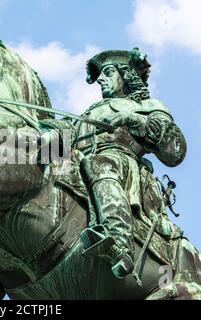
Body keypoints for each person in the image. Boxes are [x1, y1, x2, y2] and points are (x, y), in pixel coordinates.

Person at [75, 48, 187, 278]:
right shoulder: (89, 113)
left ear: (126, 75)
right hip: (80, 161)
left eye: (107, 72)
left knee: (101, 163)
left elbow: (175, 151)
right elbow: (67, 138)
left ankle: (119, 242)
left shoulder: (148, 107)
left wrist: (132, 119)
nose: (101, 80)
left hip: (120, 163)